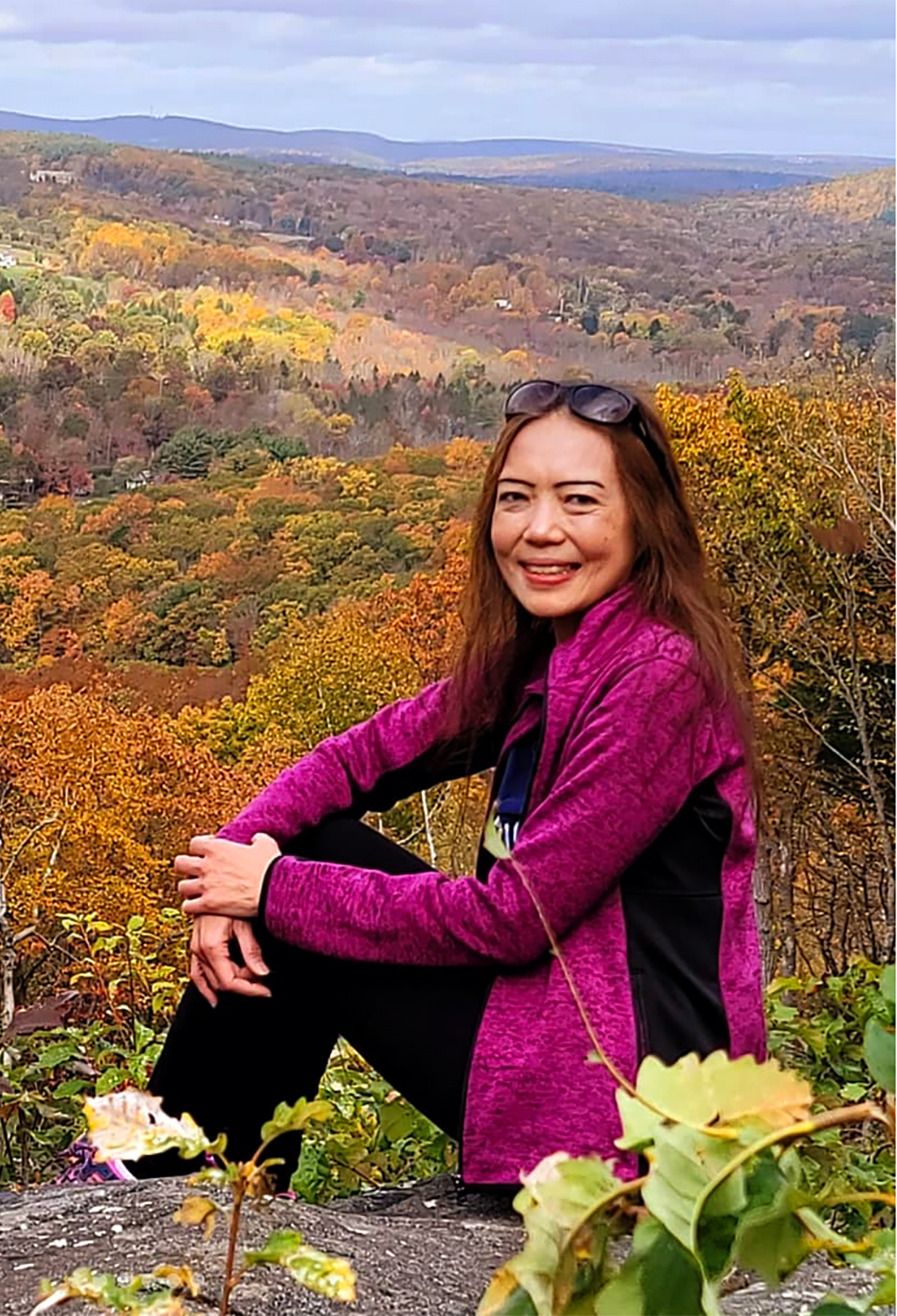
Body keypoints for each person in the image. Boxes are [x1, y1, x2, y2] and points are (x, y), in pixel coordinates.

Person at [83, 380, 766, 1190]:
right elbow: (359, 758)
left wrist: (269, 891)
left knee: (297, 895)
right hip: (558, 1024)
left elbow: (516, 918)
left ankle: (171, 1185)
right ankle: (188, 1187)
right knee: (300, 849)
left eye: (579, 500)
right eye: (516, 499)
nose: (541, 529)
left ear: (643, 518)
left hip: (638, 1105)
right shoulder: (551, 657)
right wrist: (234, 865)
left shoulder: (657, 677)